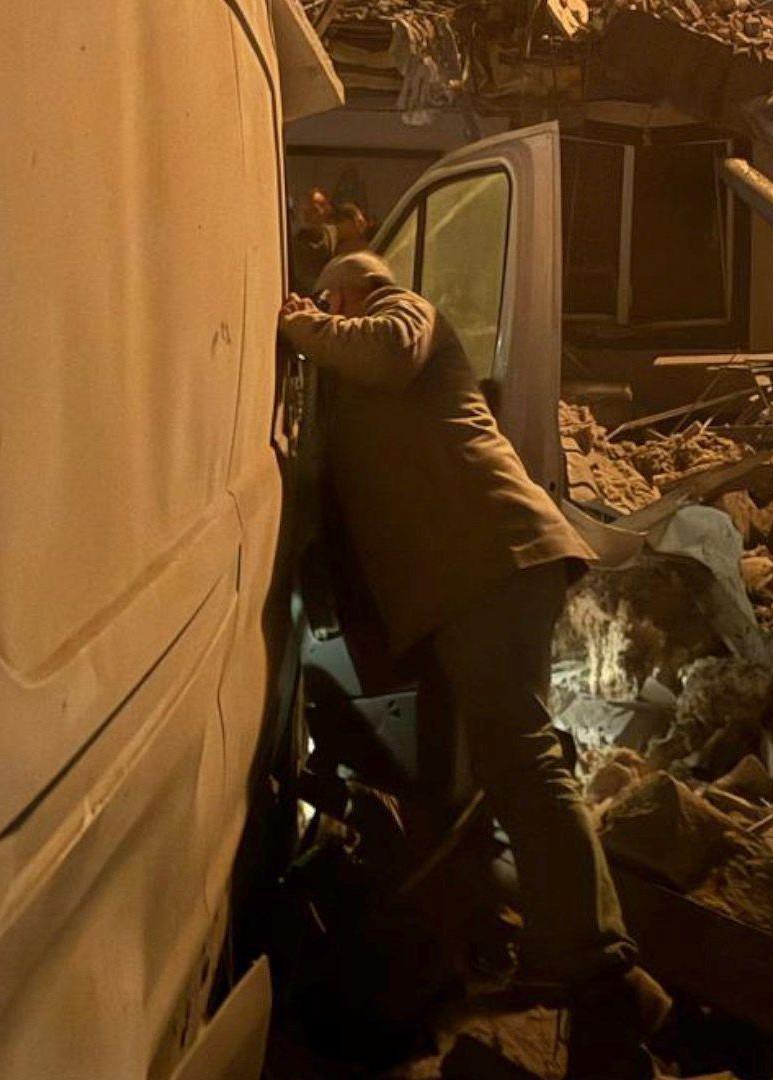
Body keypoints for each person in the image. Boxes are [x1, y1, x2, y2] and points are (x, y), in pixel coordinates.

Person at [279, 252, 669, 1074]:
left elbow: (385, 348)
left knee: (521, 761)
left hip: (494, 564)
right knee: (484, 771)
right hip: (463, 588)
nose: (320, 316)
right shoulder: (350, 385)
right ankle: (529, 951)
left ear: (347, 291)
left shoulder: (402, 313)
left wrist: (301, 322)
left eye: (327, 300)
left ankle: (603, 978)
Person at [288, 186, 336, 297]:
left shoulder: (334, 235)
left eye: (312, 210)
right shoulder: (295, 246)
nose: (306, 216)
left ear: (326, 210)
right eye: (302, 211)